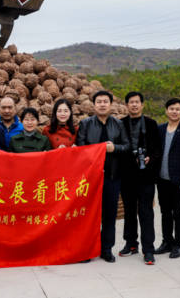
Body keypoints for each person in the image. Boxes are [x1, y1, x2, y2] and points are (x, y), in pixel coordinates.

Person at [76, 90, 129, 263]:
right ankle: (87, 249)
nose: (102, 104)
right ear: (94, 105)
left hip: (112, 176)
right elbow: (80, 147)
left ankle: (106, 249)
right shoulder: (85, 124)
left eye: (105, 101)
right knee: (89, 215)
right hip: (91, 178)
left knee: (109, 214)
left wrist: (115, 148)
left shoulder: (118, 124)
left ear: (111, 104)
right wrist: (96, 150)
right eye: (99, 101)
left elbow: (127, 146)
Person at [118, 92, 161, 265]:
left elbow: (158, 149)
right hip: (127, 175)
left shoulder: (151, 124)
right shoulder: (120, 123)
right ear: (126, 105)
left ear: (142, 105)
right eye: (131, 102)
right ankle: (130, 243)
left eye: (137, 102)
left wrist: (150, 157)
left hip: (146, 176)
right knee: (129, 211)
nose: (134, 105)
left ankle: (148, 249)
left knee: (146, 212)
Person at [155, 98, 180, 259]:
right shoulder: (160, 129)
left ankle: (178, 244)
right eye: (171, 108)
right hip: (162, 179)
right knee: (165, 212)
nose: (174, 111)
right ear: (166, 110)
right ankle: (166, 242)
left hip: (178, 180)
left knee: (178, 213)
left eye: (177, 109)